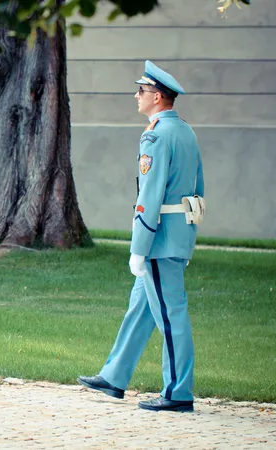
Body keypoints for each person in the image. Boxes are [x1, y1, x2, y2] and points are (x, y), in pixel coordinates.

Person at [77, 60, 205, 413]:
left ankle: (178, 392)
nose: (136, 96)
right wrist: (188, 233)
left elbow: (149, 196)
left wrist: (139, 247)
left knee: (170, 315)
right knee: (142, 309)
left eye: (142, 91)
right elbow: (198, 187)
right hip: (177, 233)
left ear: (159, 97)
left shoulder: (156, 135)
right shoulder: (186, 132)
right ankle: (115, 376)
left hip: (159, 238)